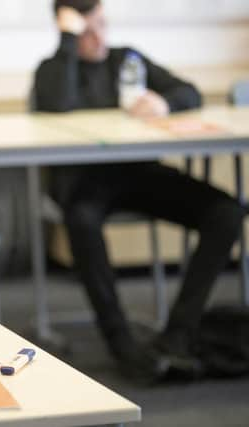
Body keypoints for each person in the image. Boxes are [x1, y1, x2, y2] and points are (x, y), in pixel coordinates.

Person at [30, 0, 245, 382]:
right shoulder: (53, 70)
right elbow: (56, 105)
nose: (98, 37)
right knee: (80, 219)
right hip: (83, 183)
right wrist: (68, 40)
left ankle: (177, 335)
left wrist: (164, 101)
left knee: (226, 211)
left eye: (101, 25)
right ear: (67, 32)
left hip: (139, 176)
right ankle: (121, 343)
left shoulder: (126, 59)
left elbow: (189, 92)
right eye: (86, 30)